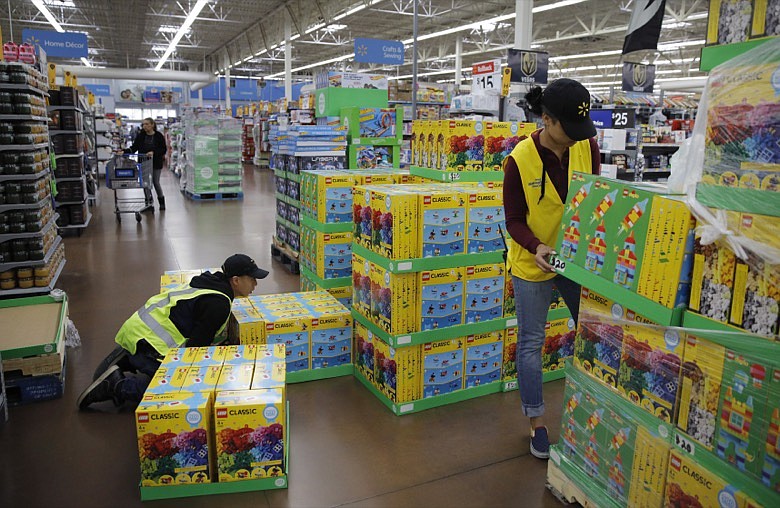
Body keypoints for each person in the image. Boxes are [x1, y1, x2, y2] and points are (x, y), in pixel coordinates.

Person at [502, 78, 601, 459]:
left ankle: (595, 411)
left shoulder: (586, 146)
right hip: (533, 262)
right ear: (546, 120)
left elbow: (590, 195)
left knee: (593, 331)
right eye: (569, 129)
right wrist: (537, 246)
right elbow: (513, 220)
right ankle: (537, 424)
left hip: (574, 260)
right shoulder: (518, 161)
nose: (577, 137)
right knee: (530, 343)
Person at [77, 254, 269, 410]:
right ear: (235, 280)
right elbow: (195, 350)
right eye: (252, 279)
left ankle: (130, 357)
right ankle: (117, 386)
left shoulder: (210, 283)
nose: (255, 284)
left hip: (138, 330)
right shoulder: (218, 304)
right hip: (150, 342)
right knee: (180, 390)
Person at [125, 117, 168, 210]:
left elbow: (163, 149)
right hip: (143, 162)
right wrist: (125, 152)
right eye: (143, 124)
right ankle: (148, 203)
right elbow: (134, 147)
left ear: (152, 125)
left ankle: (161, 202)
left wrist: (154, 152)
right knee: (145, 183)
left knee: (156, 182)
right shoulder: (141, 136)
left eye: (147, 124)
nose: (145, 126)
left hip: (156, 162)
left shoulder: (159, 136)